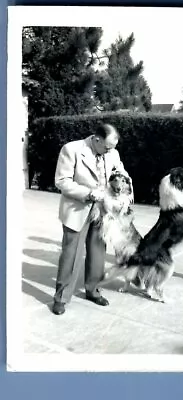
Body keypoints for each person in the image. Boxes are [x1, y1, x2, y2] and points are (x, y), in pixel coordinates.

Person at [52, 123, 133, 315]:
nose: (109, 151)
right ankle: (61, 298)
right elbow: (62, 181)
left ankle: (93, 290)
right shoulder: (71, 149)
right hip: (77, 209)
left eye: (112, 148)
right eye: (106, 147)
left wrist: (127, 195)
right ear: (96, 139)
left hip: (104, 211)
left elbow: (123, 174)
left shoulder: (112, 152)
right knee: (71, 256)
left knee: (98, 254)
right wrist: (89, 193)